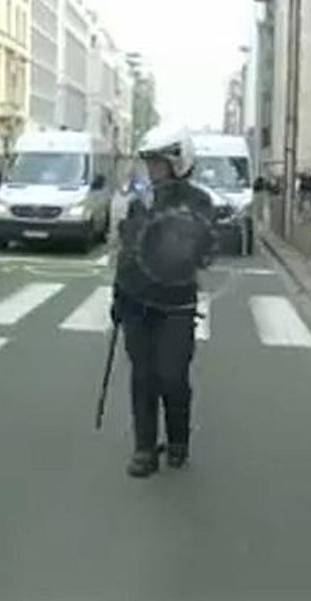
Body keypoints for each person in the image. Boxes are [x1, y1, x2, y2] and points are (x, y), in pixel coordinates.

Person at [110, 125, 216, 478]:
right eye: (149, 164)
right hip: (138, 301)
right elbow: (126, 253)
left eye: (159, 163)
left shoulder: (198, 201)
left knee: (172, 375)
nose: (152, 171)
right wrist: (118, 296)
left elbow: (204, 249)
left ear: (177, 162)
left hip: (176, 304)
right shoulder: (139, 201)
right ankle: (143, 448)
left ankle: (178, 440)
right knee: (143, 376)